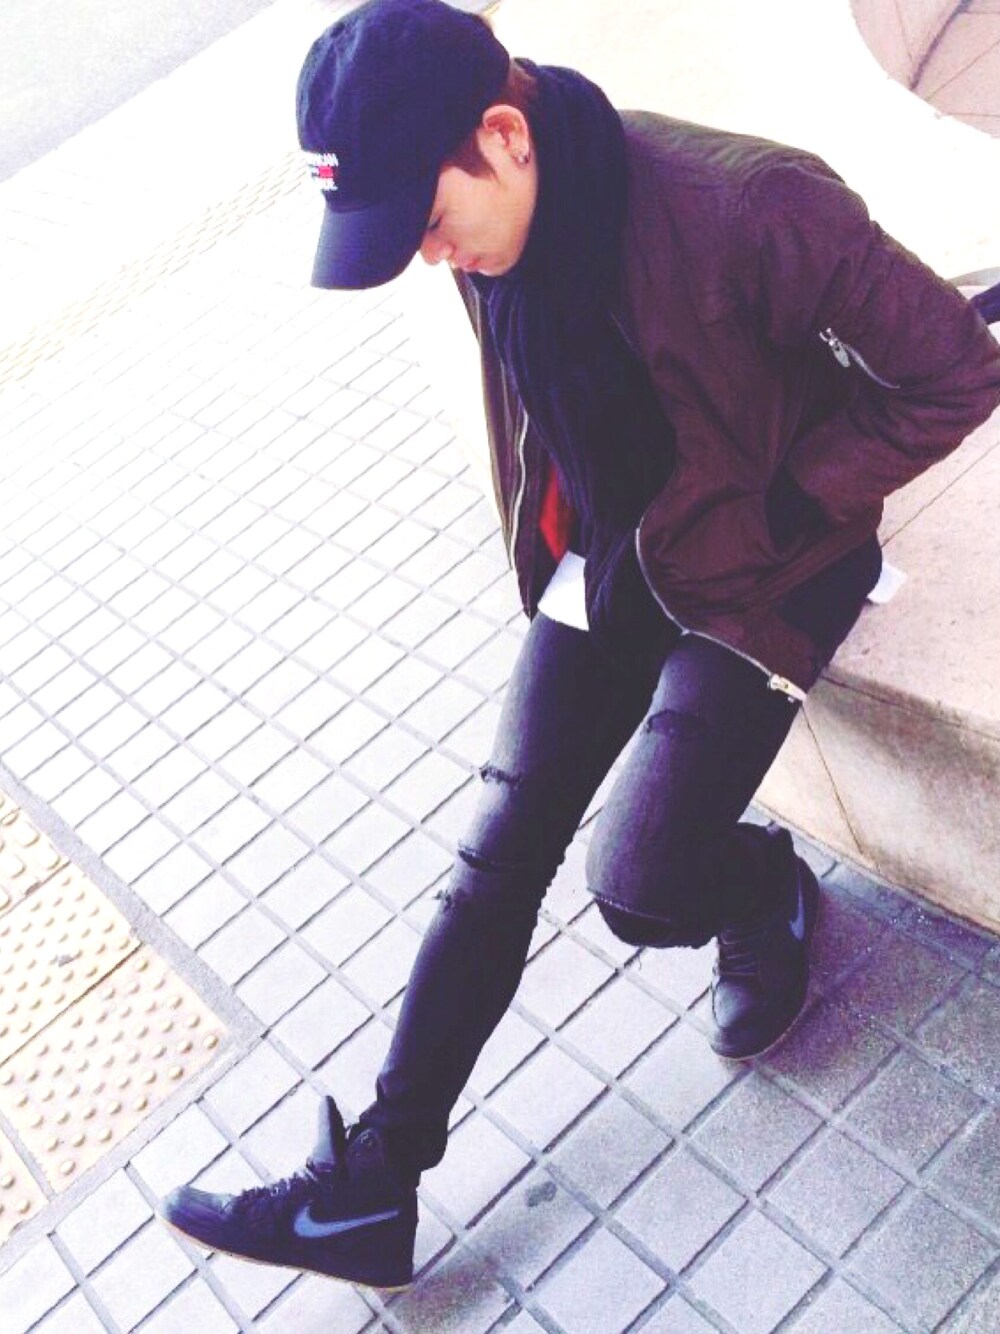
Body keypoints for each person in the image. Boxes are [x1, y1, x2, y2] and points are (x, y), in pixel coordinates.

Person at [160, 0, 1000, 1290]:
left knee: (639, 887)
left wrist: (789, 504)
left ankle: (759, 888)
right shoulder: (496, 226)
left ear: (505, 135)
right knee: (494, 856)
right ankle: (373, 1186)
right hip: (618, 555)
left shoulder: (746, 204)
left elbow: (952, 371)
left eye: (428, 222)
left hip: (766, 564)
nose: (430, 258)